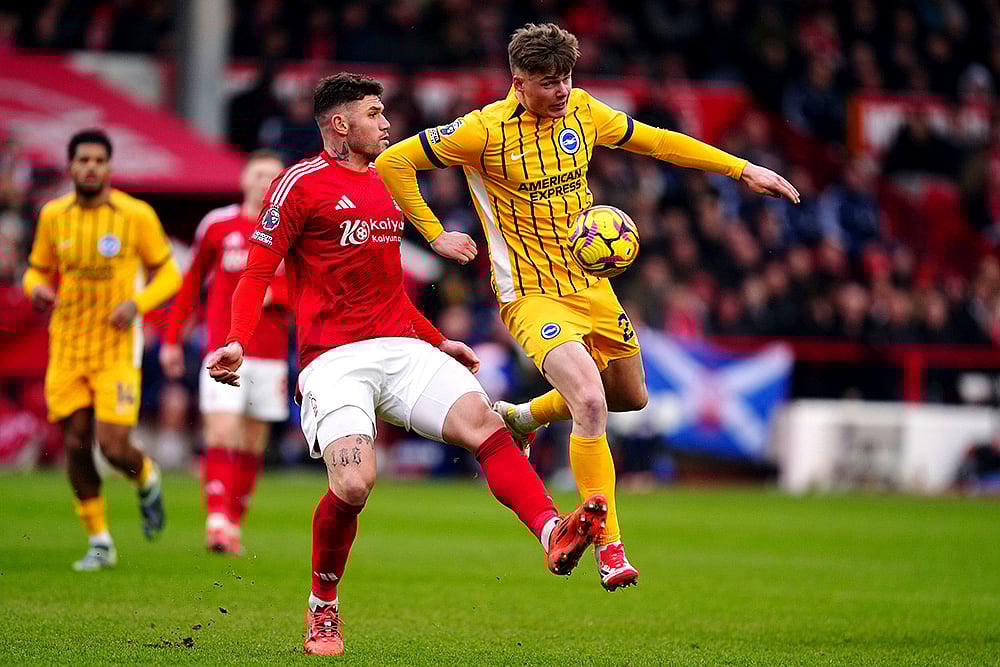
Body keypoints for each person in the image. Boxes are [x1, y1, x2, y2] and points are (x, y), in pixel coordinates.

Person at [375, 22, 800, 592]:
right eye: (548, 83)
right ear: (517, 82)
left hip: (593, 289)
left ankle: (521, 416)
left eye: (566, 78)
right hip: (530, 294)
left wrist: (742, 169)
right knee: (591, 402)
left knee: (631, 396)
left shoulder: (582, 112)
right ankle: (611, 548)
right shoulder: (481, 131)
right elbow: (393, 163)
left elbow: (658, 141)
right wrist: (433, 234)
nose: (560, 91)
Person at [204, 73, 608, 657]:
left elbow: (389, 291)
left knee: (487, 425)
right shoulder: (299, 184)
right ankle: (323, 608)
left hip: (402, 346)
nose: (387, 123)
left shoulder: (388, 185)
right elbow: (257, 272)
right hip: (334, 360)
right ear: (341, 125)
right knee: (354, 482)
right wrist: (239, 339)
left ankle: (551, 531)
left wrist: (438, 340)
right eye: (375, 114)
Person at [23, 128, 181, 570]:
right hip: (68, 345)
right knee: (74, 442)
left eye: (98, 160)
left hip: (115, 347)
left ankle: (146, 476)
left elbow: (169, 275)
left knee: (112, 447)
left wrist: (137, 304)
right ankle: (99, 540)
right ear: (71, 166)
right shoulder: (53, 215)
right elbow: (35, 270)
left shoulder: (135, 215)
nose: (91, 167)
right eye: (83, 160)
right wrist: (35, 289)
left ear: (109, 167)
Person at [160, 149, 289, 555]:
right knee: (221, 432)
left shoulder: (292, 228)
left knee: (251, 444)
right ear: (244, 179)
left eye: (272, 176)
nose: (262, 182)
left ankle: (233, 523)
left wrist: (277, 293)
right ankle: (216, 520)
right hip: (223, 348)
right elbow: (190, 283)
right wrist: (172, 339)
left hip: (270, 353)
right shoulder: (217, 225)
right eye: (257, 174)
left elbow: (307, 285)